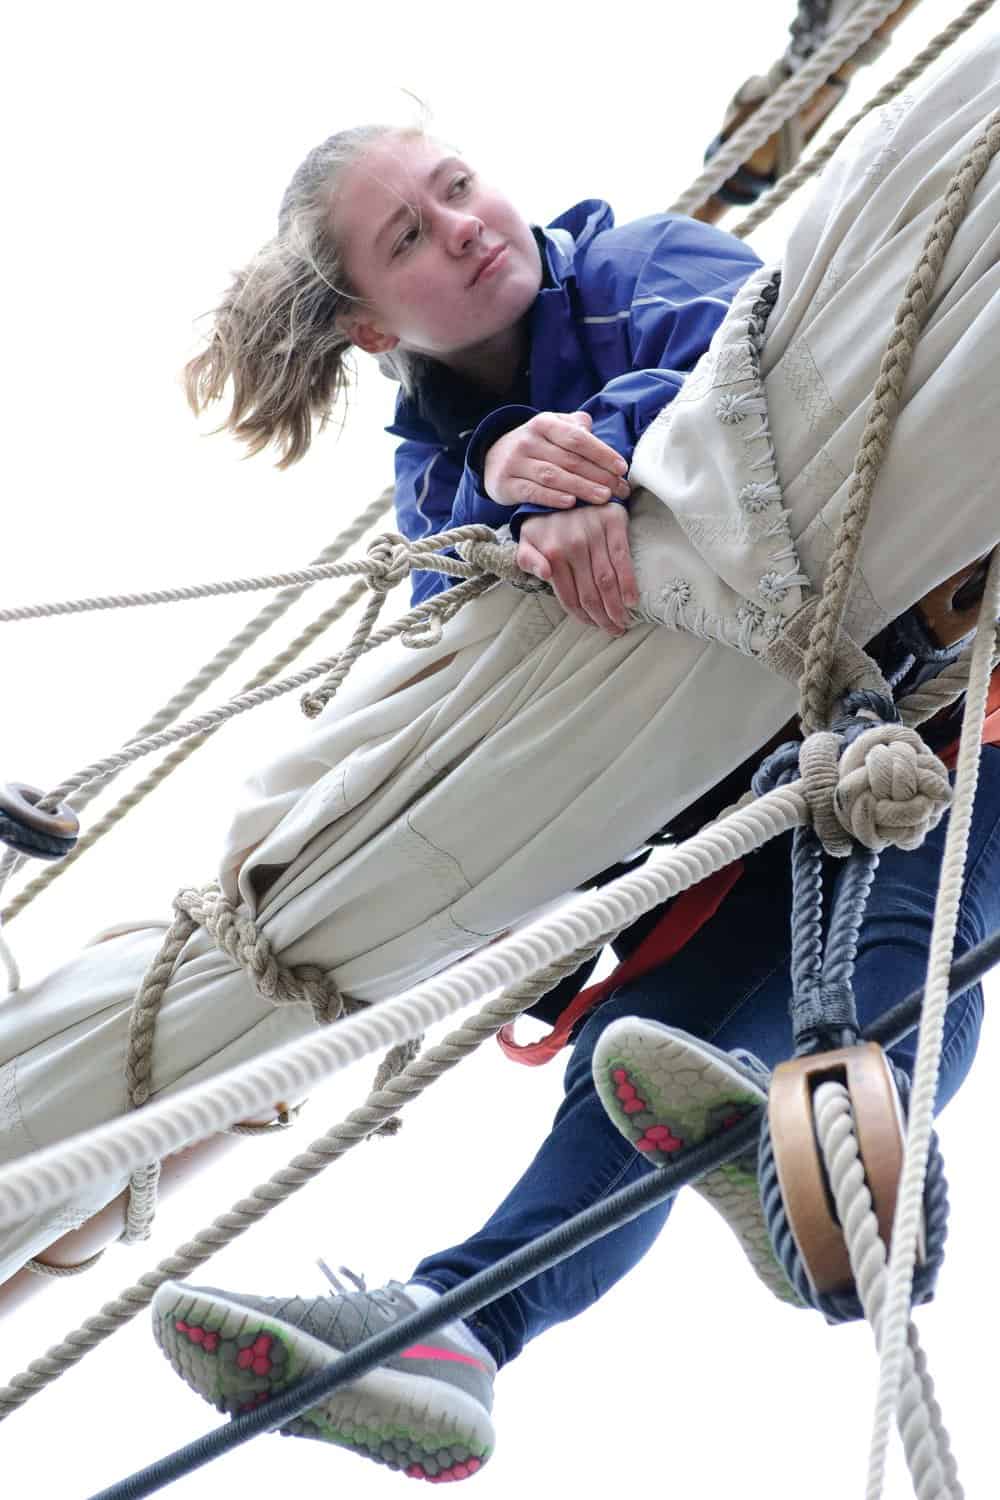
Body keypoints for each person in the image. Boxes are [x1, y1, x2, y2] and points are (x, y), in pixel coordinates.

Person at [147, 104, 1000, 1484]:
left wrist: (591, 459)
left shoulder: (630, 264)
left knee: (904, 893)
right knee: (653, 1057)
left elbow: (751, 350)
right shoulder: (436, 466)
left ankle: (852, 1183)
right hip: (753, 787)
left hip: (945, 693)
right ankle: (458, 1334)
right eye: (409, 237)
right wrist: (502, 486)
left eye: (459, 185)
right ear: (372, 328)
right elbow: (467, 641)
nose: (467, 227)